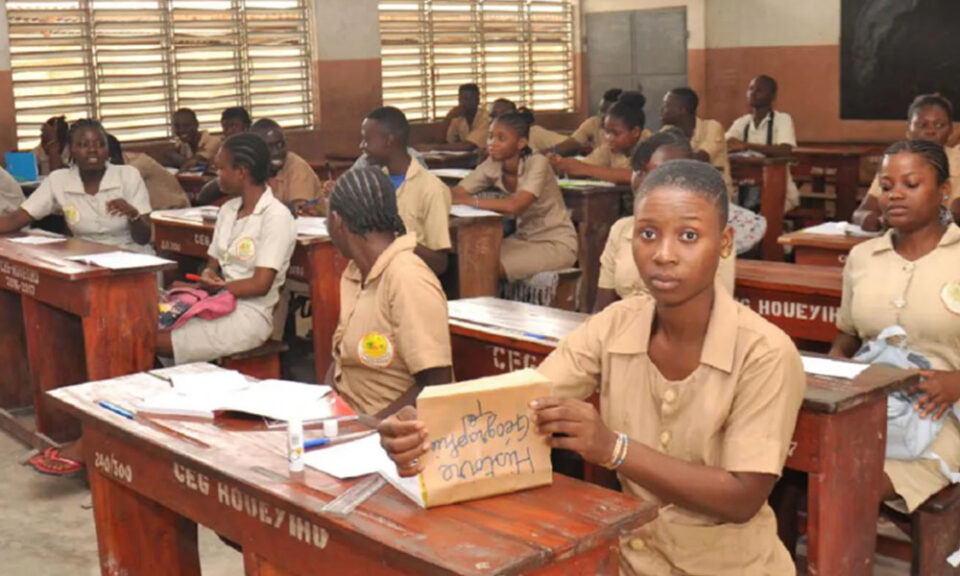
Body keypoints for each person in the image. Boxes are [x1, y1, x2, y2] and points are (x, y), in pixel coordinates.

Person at [379, 160, 806, 575]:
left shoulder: (765, 353)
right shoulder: (616, 324)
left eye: (689, 236)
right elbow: (527, 396)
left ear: (726, 242)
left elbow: (742, 497)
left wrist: (614, 448)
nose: (664, 254)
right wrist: (425, 427)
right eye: (648, 234)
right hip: (631, 562)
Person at [830, 139, 960, 514]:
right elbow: (846, 337)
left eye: (911, 184)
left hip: (942, 414)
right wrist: (836, 367)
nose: (895, 195)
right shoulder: (863, 257)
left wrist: (956, 383)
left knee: (851, 483)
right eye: (886, 187)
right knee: (792, 466)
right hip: (867, 408)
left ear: (944, 191)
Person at [155, 134, 296, 364]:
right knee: (148, 325)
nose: (217, 174)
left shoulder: (276, 216)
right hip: (216, 302)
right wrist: (208, 275)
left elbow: (260, 284)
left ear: (241, 172)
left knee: (155, 340)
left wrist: (221, 288)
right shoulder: (228, 210)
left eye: (221, 169)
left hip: (248, 315)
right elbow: (212, 264)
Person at [328, 168, 453, 417]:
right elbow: (340, 364)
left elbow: (435, 386)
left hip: (392, 430)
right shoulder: (354, 273)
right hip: (349, 419)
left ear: (337, 221)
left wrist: (371, 428)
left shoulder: (407, 277)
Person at [594, 130, 736, 312]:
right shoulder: (621, 229)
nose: (645, 182)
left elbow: (712, 312)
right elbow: (601, 308)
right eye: (639, 171)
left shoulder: (710, 235)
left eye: (659, 174)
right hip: (625, 327)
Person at [451, 112, 578, 281]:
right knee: (467, 257)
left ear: (521, 143)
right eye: (490, 137)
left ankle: (487, 299)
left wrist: (470, 201)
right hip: (522, 239)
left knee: (484, 266)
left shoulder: (537, 162)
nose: (492, 143)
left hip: (554, 242)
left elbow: (515, 205)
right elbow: (457, 193)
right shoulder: (493, 163)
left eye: (501, 138)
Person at [0, 119, 152, 252]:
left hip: (130, 253)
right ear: (71, 149)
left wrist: (134, 215)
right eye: (83, 145)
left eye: (100, 144)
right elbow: (16, 218)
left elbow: (144, 238)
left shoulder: (128, 175)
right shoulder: (59, 180)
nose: (93, 150)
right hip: (84, 257)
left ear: (107, 149)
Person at [358, 106, 451, 275]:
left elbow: (440, 264)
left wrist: (400, 241)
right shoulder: (373, 183)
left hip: (411, 281)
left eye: (367, 140)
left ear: (388, 140)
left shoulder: (432, 189)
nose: (362, 146)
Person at [854, 94, 960, 230]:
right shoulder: (895, 161)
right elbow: (861, 212)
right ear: (909, 129)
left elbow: (956, 214)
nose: (931, 131)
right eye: (922, 125)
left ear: (951, 130)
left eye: (939, 125)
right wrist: (871, 219)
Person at [725, 75, 800, 212]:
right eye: (750, 88)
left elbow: (785, 150)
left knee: (759, 218)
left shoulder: (782, 119)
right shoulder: (743, 122)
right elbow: (727, 143)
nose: (752, 93)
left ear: (772, 96)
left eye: (759, 90)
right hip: (746, 189)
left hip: (779, 191)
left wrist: (747, 146)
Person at [549, 92, 648, 184]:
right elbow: (584, 166)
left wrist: (586, 169)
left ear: (635, 132)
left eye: (616, 133)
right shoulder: (609, 148)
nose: (609, 138)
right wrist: (563, 165)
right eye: (607, 132)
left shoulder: (650, 147)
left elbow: (635, 175)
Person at [660, 87, 735, 200]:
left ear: (681, 110)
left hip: (715, 194)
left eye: (666, 105)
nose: (661, 109)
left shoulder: (712, 127)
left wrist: (667, 159)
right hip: (682, 192)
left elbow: (698, 159)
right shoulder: (666, 132)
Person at [249, 118, 324, 213]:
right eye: (269, 147)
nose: (277, 152)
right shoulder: (247, 169)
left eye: (280, 145)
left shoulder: (297, 166)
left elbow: (300, 212)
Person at [106, 135, 189, 211]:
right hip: (154, 213)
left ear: (114, 156)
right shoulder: (121, 162)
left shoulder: (138, 164)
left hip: (174, 210)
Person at [558, 88, 623, 156]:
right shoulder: (594, 122)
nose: (602, 116)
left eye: (607, 113)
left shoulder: (624, 137)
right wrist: (553, 151)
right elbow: (572, 143)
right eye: (601, 110)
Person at [165, 108, 222, 173]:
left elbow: (192, 163)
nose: (181, 130)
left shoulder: (213, 141)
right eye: (177, 126)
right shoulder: (182, 143)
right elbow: (167, 156)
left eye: (186, 126)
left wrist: (176, 158)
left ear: (196, 125)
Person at [441, 83, 490, 150]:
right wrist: (448, 118)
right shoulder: (457, 118)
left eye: (470, 98)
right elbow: (446, 142)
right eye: (462, 99)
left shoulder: (485, 117)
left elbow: (469, 145)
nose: (466, 102)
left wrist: (434, 147)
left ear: (477, 100)